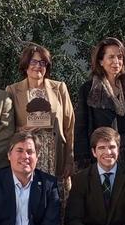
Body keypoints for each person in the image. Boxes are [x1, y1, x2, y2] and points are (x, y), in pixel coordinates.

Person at [6, 43, 75, 187]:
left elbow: (70, 127)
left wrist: (69, 159)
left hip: (55, 155)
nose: (38, 66)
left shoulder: (59, 88)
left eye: (42, 62)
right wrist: (21, 129)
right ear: (25, 65)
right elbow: (6, 126)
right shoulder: (12, 90)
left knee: (56, 201)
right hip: (27, 155)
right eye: (33, 61)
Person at [75, 37, 125, 170]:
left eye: (120, 57)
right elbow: (80, 128)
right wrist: (83, 160)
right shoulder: (89, 89)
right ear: (101, 61)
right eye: (111, 57)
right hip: (99, 158)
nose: (116, 61)